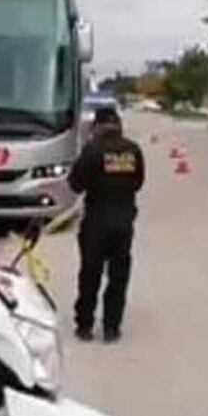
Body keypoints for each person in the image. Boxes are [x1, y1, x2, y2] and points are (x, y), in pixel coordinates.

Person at [68, 107, 145, 343]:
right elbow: (138, 182)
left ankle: (85, 325)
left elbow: (75, 184)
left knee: (91, 274)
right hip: (123, 221)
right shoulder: (133, 150)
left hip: (96, 221)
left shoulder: (92, 150)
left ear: (97, 126)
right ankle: (111, 328)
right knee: (118, 276)